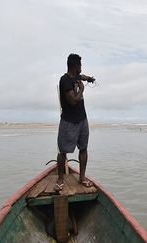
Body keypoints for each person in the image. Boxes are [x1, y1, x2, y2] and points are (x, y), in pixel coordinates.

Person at [55, 53, 93, 191]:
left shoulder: (77, 76)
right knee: (63, 152)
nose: (81, 67)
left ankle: (82, 177)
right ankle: (60, 179)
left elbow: (82, 77)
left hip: (82, 119)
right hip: (68, 122)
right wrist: (82, 89)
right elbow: (73, 101)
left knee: (83, 148)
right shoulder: (65, 80)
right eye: (80, 65)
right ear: (74, 66)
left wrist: (90, 79)